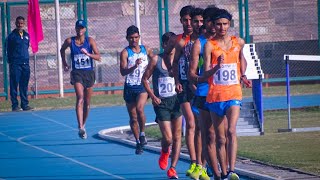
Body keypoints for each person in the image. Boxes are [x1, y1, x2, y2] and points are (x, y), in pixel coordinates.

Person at [203, 8, 252, 179]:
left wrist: (244, 75)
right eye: (218, 24)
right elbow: (206, 71)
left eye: (225, 24)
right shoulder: (209, 45)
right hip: (215, 95)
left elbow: (242, 59)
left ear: (229, 24)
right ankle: (223, 172)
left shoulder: (239, 42)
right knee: (220, 138)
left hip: (234, 93)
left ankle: (232, 170)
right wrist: (216, 67)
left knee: (231, 130)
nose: (222, 27)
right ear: (213, 25)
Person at [188, 6, 224, 180]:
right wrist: (202, 78)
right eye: (208, 21)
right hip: (203, 93)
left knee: (223, 135)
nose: (210, 24)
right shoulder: (199, 43)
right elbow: (192, 73)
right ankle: (211, 171)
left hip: (223, 93)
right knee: (207, 133)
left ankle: (225, 169)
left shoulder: (225, 42)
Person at [142, 32, 182, 179]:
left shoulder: (178, 59)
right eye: (170, 44)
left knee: (178, 136)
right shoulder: (155, 60)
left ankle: (173, 168)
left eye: (175, 44)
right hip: (161, 103)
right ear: (164, 45)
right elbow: (145, 79)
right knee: (169, 138)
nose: (173, 47)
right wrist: (152, 96)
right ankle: (165, 151)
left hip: (176, 101)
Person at [60, 19, 101, 139]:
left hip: (89, 73)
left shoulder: (90, 41)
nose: (80, 30)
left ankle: (83, 124)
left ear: (85, 29)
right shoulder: (70, 41)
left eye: (82, 28)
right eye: (78, 28)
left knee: (87, 103)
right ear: (75, 29)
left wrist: (88, 54)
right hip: (77, 73)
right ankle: (80, 127)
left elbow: (99, 57)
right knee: (80, 98)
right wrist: (64, 63)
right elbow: (62, 50)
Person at [119, 25, 154, 155]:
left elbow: (155, 61)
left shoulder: (146, 50)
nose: (134, 40)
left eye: (136, 37)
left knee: (140, 109)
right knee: (133, 118)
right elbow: (122, 72)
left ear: (139, 37)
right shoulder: (125, 52)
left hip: (142, 86)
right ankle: (138, 142)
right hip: (129, 86)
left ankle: (143, 133)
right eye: (131, 38)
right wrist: (134, 66)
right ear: (127, 38)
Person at [6, 16, 34, 112]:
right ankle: (15, 105)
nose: (20, 25)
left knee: (24, 85)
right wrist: (11, 61)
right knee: (14, 84)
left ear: (24, 24)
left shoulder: (27, 35)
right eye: (18, 23)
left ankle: (25, 104)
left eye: (21, 23)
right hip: (15, 64)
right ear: (15, 23)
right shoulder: (11, 36)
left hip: (25, 64)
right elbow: (8, 50)